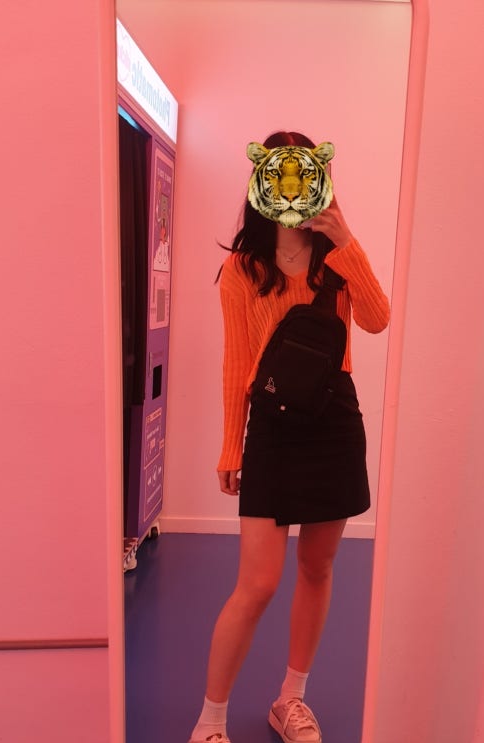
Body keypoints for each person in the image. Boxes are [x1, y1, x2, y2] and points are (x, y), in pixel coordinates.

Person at [188, 131, 390, 743]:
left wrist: (346, 239)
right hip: (272, 426)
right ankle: (210, 721)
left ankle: (291, 700)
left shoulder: (337, 260)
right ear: (262, 184)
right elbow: (236, 362)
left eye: (305, 178)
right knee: (257, 584)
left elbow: (377, 319)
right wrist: (231, 445)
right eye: (281, 179)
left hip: (334, 421)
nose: (294, 191)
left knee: (318, 567)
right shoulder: (242, 269)